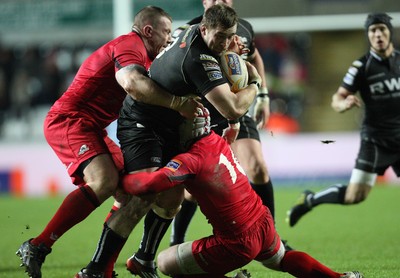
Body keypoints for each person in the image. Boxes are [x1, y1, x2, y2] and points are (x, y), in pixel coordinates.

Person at [16, 6, 202, 278]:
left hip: (94, 128)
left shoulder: (146, 55)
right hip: (70, 120)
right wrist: (178, 104)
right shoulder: (130, 44)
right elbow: (131, 83)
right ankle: (38, 246)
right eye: (165, 32)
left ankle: (101, 269)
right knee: (103, 181)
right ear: (148, 31)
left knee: (128, 194)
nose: (168, 39)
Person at [79, 4, 261, 278]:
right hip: (143, 122)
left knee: (173, 196)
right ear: (203, 29)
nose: (224, 43)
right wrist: (255, 84)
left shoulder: (194, 36)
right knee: (143, 197)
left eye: (229, 36)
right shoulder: (199, 59)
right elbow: (233, 108)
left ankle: (144, 259)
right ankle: (95, 269)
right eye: (219, 36)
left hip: (171, 124)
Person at [119, 106, 363, 278]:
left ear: (187, 128)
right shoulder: (217, 140)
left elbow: (148, 185)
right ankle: (339, 277)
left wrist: (122, 180)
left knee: (165, 263)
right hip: (261, 220)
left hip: (236, 241)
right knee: (280, 260)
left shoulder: (189, 160)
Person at [169, 0, 292, 251]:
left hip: (239, 104)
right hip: (208, 109)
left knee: (258, 167)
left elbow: (255, 56)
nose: (219, 2)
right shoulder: (191, 31)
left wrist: (264, 96)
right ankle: (177, 240)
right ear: (204, 3)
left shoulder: (244, 27)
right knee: (197, 186)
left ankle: (271, 237)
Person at [287, 12, 400, 227]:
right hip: (376, 140)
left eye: (382, 29)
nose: (378, 34)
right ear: (368, 35)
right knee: (354, 196)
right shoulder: (362, 67)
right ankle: (310, 199)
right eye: (373, 30)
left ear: (389, 32)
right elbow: (337, 98)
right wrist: (344, 104)